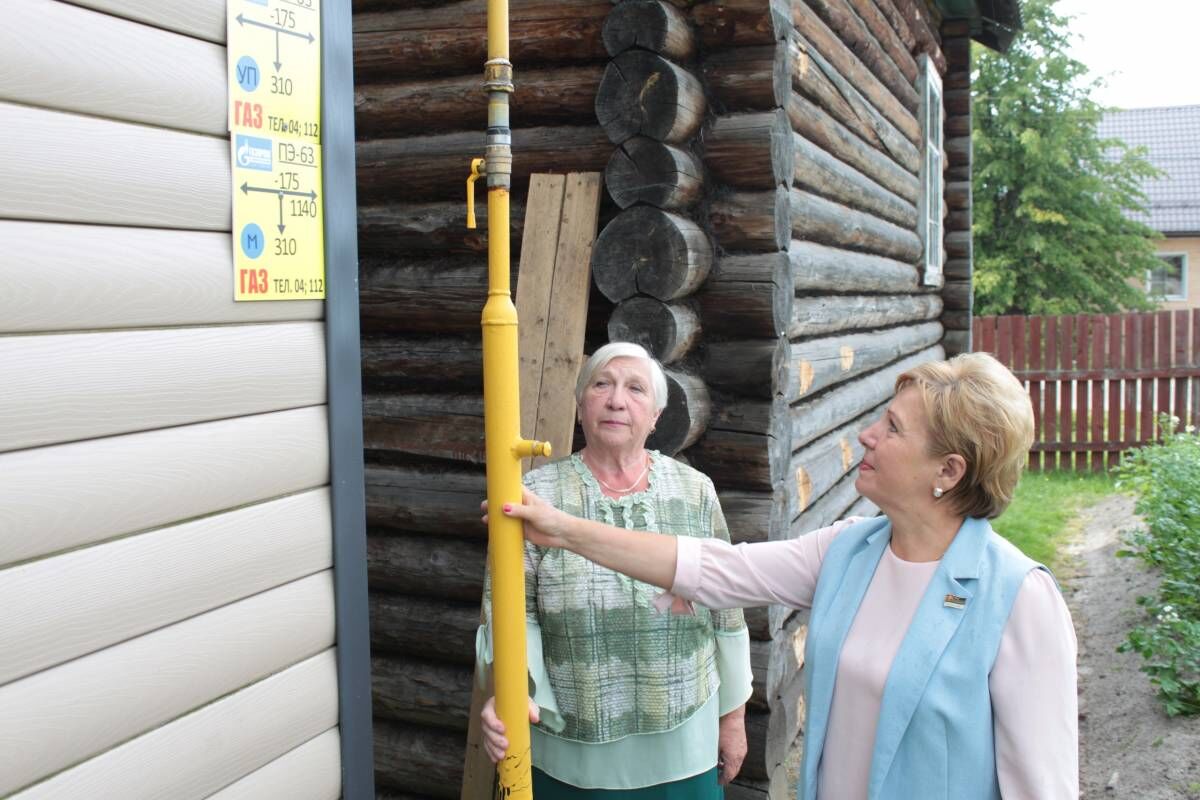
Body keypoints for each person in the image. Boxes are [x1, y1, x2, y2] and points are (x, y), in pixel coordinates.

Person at [489, 352, 1079, 799]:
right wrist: (562, 528)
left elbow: (1042, 787)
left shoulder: (1018, 598)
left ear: (948, 470)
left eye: (894, 428)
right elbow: (711, 570)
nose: (868, 435)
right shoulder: (851, 551)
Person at [477, 342, 753, 797]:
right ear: (581, 406)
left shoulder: (695, 491)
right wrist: (511, 695)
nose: (616, 400)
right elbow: (510, 614)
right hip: (569, 752)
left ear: (656, 415)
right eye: (601, 384)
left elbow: (727, 613)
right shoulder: (533, 495)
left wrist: (733, 720)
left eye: (636, 389)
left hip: (685, 747)